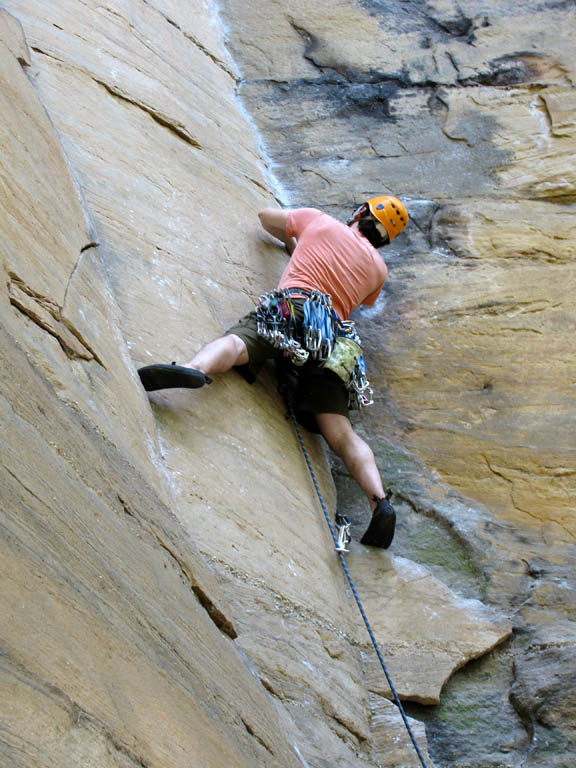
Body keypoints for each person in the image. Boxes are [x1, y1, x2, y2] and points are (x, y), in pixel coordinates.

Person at [138, 196, 409, 548]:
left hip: (294, 308)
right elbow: (356, 297)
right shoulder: (378, 270)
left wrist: (293, 242)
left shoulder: (321, 221)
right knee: (339, 431)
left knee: (238, 344)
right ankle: (379, 502)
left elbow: (266, 218)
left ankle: (193, 369)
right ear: (384, 239)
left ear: (360, 213)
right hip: (333, 338)